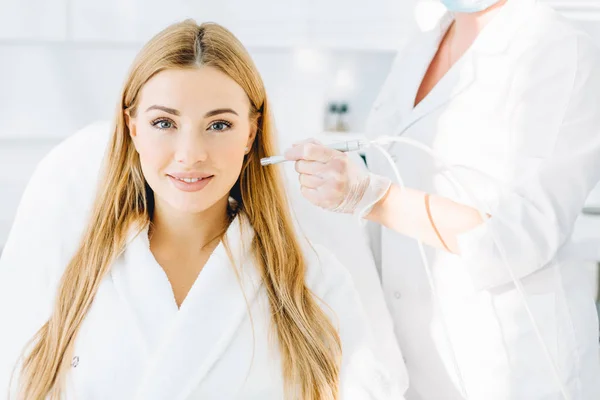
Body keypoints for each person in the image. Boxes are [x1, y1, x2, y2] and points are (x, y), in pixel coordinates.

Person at [0, 20, 406, 400]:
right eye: (164, 123)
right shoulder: (69, 271)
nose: (190, 155)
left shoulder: (314, 283)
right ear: (132, 127)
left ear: (250, 133)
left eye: (218, 126)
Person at [284, 0, 600, 399]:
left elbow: (520, 236)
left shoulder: (555, 49)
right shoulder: (423, 44)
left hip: (509, 364)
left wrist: (371, 197)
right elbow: (398, 160)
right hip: (418, 360)